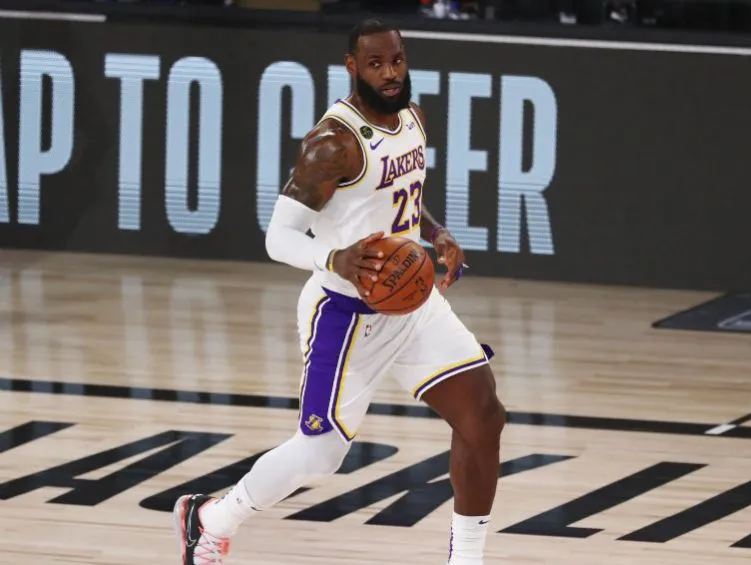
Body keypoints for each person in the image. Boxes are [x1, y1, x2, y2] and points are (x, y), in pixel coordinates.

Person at [171, 19, 507, 565]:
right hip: (346, 314)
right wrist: (337, 259)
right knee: (320, 454)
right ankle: (210, 519)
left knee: (483, 415)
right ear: (352, 67)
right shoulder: (332, 145)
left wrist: (436, 233)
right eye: (375, 64)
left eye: (396, 60)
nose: (390, 73)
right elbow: (278, 236)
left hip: (411, 302)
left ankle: (466, 560)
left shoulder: (413, 119)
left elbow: (399, 194)